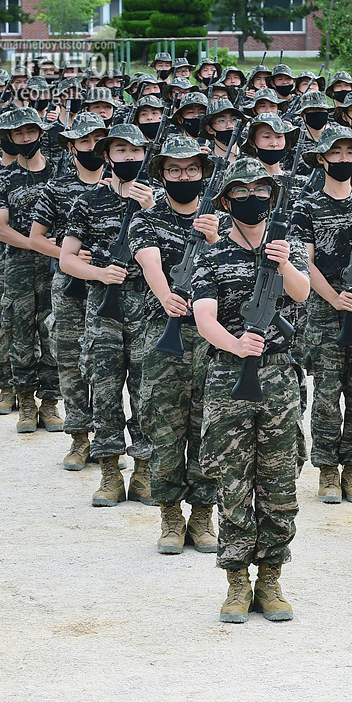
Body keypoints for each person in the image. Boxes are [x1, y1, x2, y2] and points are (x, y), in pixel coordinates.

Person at [191, 157, 310, 624]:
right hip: (229, 375)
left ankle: (272, 577)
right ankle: (237, 580)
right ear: (225, 201)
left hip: (279, 374)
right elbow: (204, 317)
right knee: (234, 479)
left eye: (260, 190)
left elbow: (301, 295)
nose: (252, 199)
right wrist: (236, 344)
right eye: (240, 193)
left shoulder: (288, 247)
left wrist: (283, 265)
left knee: (280, 480)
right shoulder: (212, 256)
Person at [130, 134, 221, 555]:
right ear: (162, 174)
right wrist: (167, 295)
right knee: (164, 427)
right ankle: (170, 515)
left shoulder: (221, 217)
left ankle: (202, 512)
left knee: (208, 425)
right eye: (174, 170)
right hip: (164, 336)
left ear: (203, 172)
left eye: (191, 169)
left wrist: (218, 239)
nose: (183, 176)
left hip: (214, 339)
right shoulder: (146, 218)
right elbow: (149, 260)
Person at [60, 124, 158, 507]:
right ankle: (109, 474)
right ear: (107, 157)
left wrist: (152, 210)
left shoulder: (160, 199)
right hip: (104, 307)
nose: (130, 157)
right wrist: (100, 273)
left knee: (147, 391)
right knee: (104, 390)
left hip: (148, 307)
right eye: (121, 150)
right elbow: (68, 258)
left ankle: (145, 473)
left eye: (136, 151)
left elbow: (183, 254)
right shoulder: (88, 201)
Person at [294, 125, 352, 503]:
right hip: (326, 309)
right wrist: (333, 299)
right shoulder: (306, 204)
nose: (343, 159)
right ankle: (328, 470)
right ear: (322, 158)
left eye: (350, 153)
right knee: (327, 394)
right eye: (336, 153)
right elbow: (305, 262)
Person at [30, 111, 107, 470]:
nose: (91, 147)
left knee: (109, 364)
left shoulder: (124, 187)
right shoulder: (56, 188)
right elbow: (36, 238)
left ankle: (108, 441)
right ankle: (79, 438)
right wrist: (68, 253)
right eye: (84, 141)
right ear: (72, 146)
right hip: (72, 285)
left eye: (96, 140)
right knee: (70, 358)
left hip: (114, 287)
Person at [0, 106, 62, 434]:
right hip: (18, 264)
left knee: (52, 331)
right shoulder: (2, 176)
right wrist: (39, 243)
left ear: (41, 133)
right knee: (19, 331)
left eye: (30, 131)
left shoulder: (60, 172)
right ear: (9, 138)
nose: (25, 138)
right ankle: (26, 402)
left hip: (56, 266)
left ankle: (50, 402)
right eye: (18, 134)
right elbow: (0, 229)